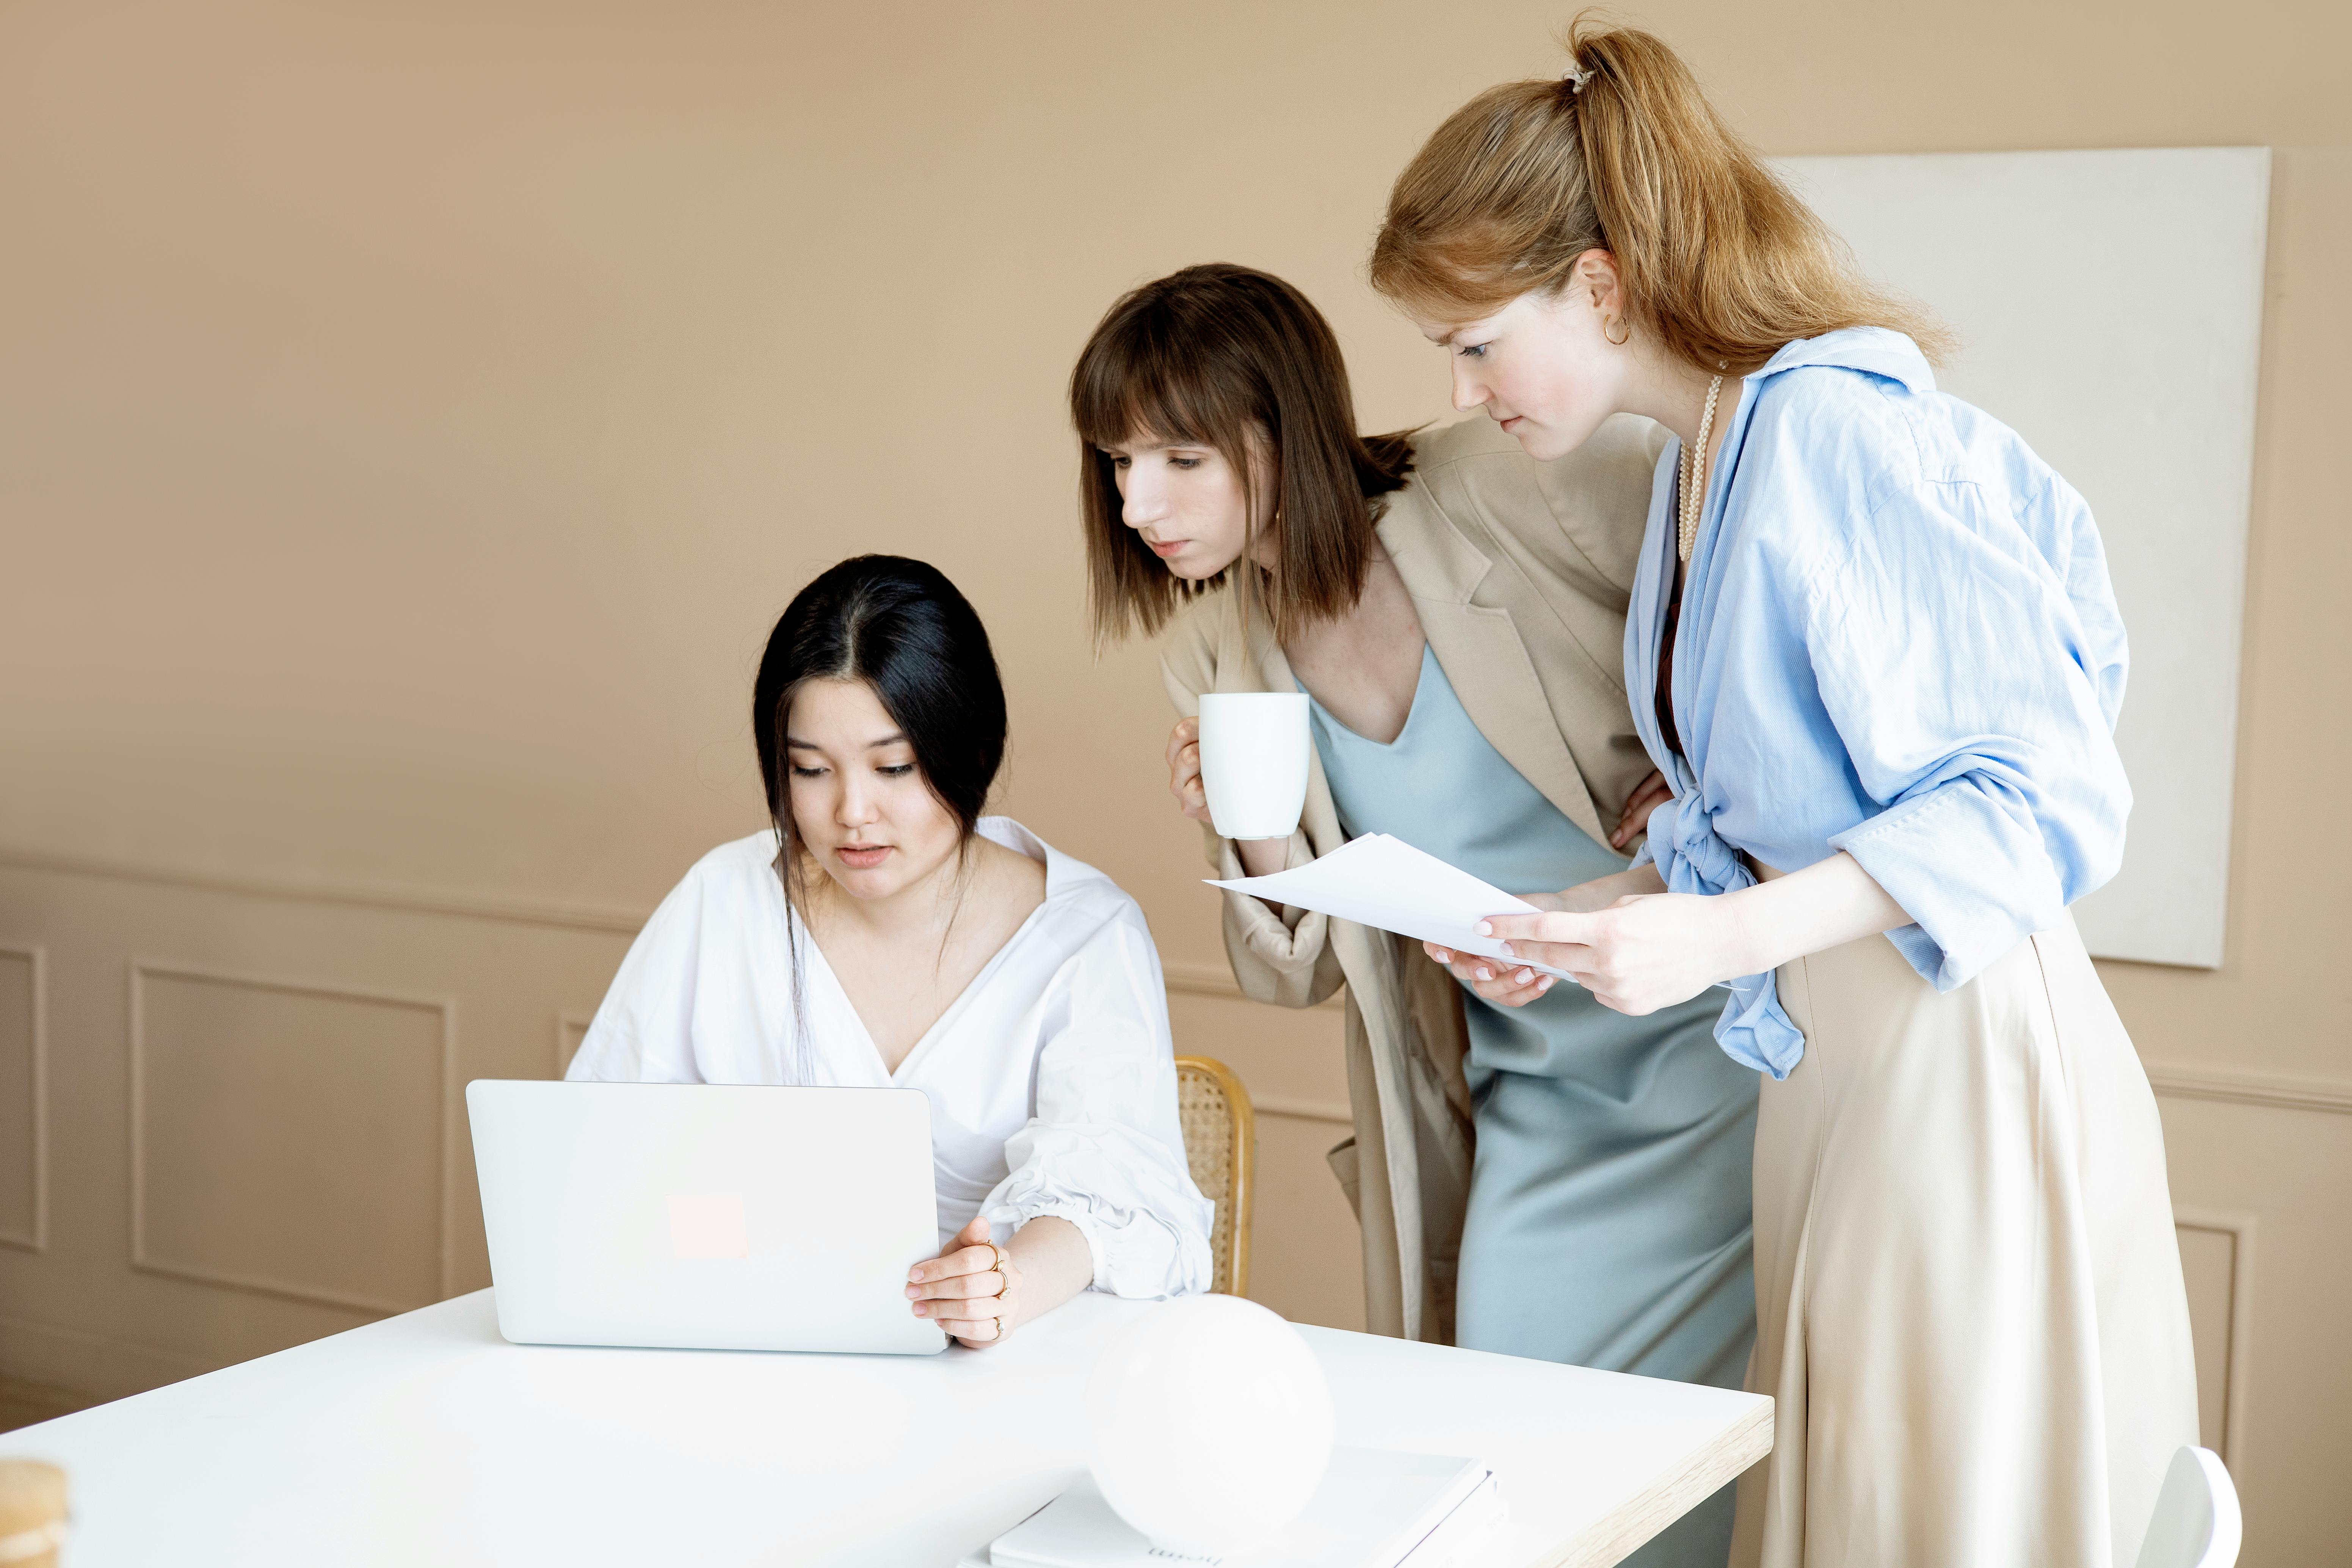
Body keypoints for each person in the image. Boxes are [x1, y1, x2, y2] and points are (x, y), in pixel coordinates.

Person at [1368, 22, 2198, 1568]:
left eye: (1475, 341)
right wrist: (1571, 923)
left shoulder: (1826, 431)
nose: (1466, 389)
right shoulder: (1706, 471)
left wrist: (1718, 936)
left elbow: (2037, 790)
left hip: (1960, 1064)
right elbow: (1765, 834)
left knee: (1938, 1512)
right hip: (1843, 1079)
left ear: (1601, 289)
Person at [1073, 263, 1758, 1566]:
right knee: (1504, 1458)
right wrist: (1248, 831)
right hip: (1518, 1091)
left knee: (1659, 1478)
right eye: (1116, 465)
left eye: (1177, 458)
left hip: (1698, 1042)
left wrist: (1696, 770)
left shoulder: (1498, 484)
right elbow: (1293, 978)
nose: (1136, 503)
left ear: (1279, 426)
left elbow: (1726, 539)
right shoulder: (1218, 645)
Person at [567, 554, 1213, 1347]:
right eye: (810, 770)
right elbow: (599, 1149)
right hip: (752, 1355)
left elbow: (1118, 1195)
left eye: (894, 767)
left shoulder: (1085, 933)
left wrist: (1008, 1285)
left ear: (970, 749)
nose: (851, 812)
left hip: (1005, 1367)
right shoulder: (725, 900)